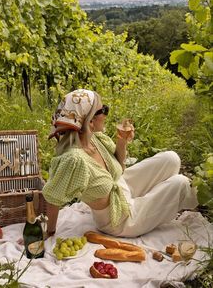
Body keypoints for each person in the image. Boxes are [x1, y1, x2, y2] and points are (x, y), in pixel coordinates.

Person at [43, 89, 198, 239]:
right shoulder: (75, 159)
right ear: (89, 120)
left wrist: (122, 141)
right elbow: (52, 197)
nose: (106, 114)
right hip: (120, 219)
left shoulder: (95, 139)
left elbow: (119, 167)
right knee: (181, 183)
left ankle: (169, 198)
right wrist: (50, 232)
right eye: (103, 109)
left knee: (172, 158)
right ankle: (200, 197)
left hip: (121, 188)